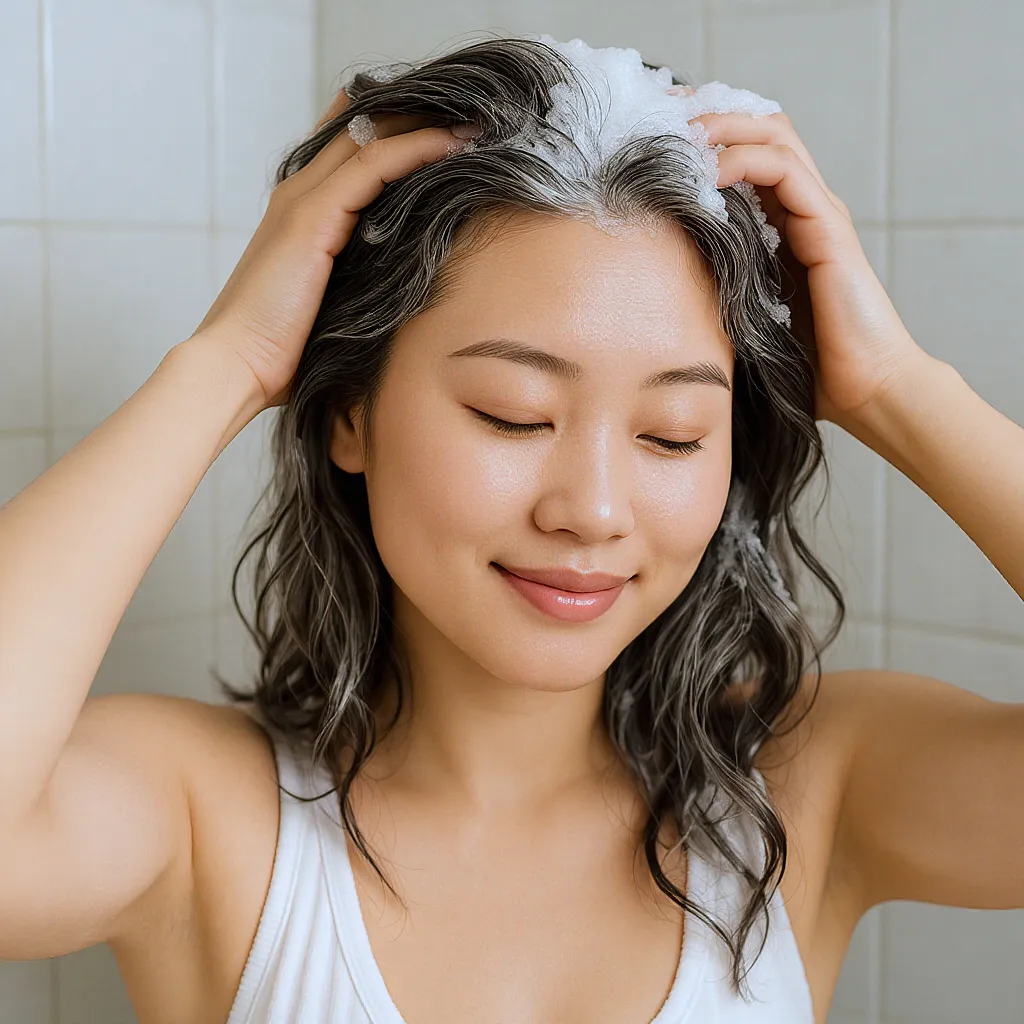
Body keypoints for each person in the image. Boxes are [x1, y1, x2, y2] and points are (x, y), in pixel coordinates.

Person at [1, 34, 1022, 1024]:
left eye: (671, 434)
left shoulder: (803, 788)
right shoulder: (204, 814)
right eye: (513, 415)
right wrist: (229, 360)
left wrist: (895, 386)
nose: (593, 509)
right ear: (351, 414)